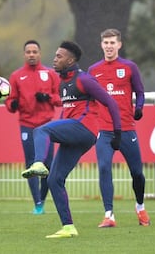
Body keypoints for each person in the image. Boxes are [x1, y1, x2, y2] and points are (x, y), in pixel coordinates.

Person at [21, 41, 122, 238]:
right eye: (56, 55)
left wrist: (117, 133)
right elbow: (67, 113)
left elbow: (111, 103)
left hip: (85, 129)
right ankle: (68, 227)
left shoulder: (84, 79)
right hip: (77, 132)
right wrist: (59, 129)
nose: (55, 59)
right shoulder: (63, 82)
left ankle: (39, 163)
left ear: (71, 60)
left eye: (59, 56)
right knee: (54, 180)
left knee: (40, 130)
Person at [88, 28, 150, 227]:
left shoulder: (130, 67)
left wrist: (139, 108)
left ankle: (140, 207)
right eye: (106, 43)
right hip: (105, 131)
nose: (109, 47)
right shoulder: (93, 70)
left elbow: (140, 92)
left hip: (127, 129)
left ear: (119, 45)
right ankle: (109, 215)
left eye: (112, 43)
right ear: (101, 45)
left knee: (137, 173)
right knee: (104, 167)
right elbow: (89, 99)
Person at [5, 40, 61, 215]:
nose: (31, 54)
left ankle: (42, 200)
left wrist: (48, 97)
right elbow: (9, 100)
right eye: (28, 51)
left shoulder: (50, 74)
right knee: (31, 164)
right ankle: (37, 203)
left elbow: (60, 98)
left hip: (47, 126)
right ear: (24, 54)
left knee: (47, 166)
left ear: (40, 53)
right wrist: (12, 105)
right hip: (27, 125)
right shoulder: (16, 76)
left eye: (34, 51)